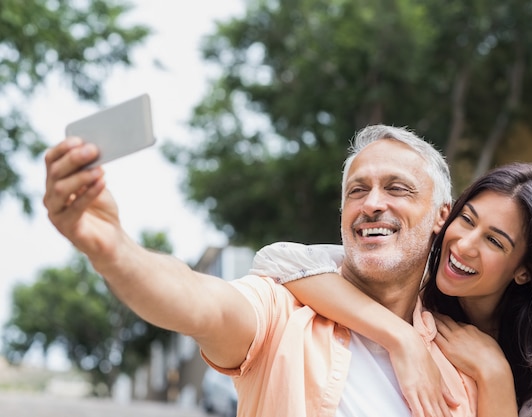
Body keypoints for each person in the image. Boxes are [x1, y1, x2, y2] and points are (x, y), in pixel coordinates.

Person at [44, 124, 477, 417]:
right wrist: (114, 249)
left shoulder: (464, 358)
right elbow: (199, 302)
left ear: (441, 215)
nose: (372, 204)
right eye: (357, 191)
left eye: (397, 188)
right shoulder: (281, 309)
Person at [250, 162, 532, 417]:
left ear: (525, 271)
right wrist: (401, 339)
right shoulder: (415, 282)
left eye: (494, 242)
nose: (464, 245)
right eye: (466, 220)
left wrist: (494, 374)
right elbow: (279, 260)